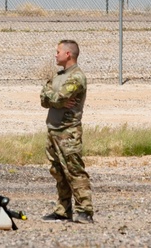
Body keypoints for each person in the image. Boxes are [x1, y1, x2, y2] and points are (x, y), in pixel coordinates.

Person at [40, 39, 93, 224]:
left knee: (74, 170)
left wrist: (55, 98)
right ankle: (63, 211)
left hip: (68, 132)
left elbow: (61, 95)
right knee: (58, 172)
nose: (56, 55)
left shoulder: (77, 77)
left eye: (58, 52)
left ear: (68, 54)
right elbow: (44, 98)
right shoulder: (59, 76)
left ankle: (85, 210)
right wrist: (56, 99)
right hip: (53, 130)